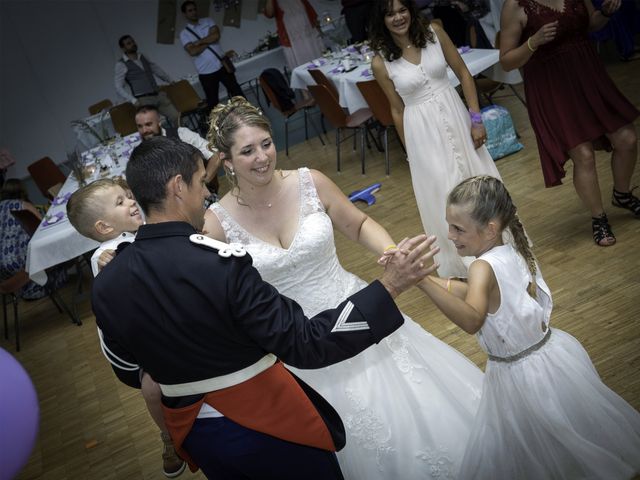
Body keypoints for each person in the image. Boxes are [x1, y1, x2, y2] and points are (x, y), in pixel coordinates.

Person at [92, 135, 439, 479]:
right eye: (200, 183)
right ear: (178, 187)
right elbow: (307, 343)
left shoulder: (107, 282)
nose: (206, 195)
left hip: (199, 436)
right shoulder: (220, 266)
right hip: (269, 427)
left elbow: (128, 370)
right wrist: (390, 286)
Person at [202, 97, 484, 479]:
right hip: (297, 342)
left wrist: (390, 252)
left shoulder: (309, 182)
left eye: (266, 143)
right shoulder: (216, 223)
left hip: (359, 312)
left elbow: (358, 224)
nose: (262, 157)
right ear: (226, 159)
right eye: (247, 151)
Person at [415, 175, 640, 479]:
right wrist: (428, 278)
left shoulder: (481, 267)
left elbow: (472, 318)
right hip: (550, 355)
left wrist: (421, 284)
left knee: (541, 442)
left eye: (458, 228)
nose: (450, 235)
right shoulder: (510, 247)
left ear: (490, 228)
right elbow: (475, 291)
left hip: (520, 373)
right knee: (565, 432)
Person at [369, 0, 502, 278]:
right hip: (422, 135)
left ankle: (499, 248)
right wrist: (411, 154)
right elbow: (397, 109)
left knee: (480, 181)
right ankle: (467, 267)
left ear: (411, 10)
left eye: (402, 10)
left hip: (458, 118)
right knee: (447, 194)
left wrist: (476, 119)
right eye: (390, 14)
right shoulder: (381, 62)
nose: (398, 18)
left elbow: (464, 73)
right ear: (382, 20)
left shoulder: (435, 33)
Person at [66, 179, 186, 478]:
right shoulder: (106, 254)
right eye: (120, 202)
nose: (132, 202)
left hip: (166, 323)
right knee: (151, 387)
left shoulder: (144, 230)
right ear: (104, 228)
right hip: (137, 344)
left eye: (129, 196)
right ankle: (168, 437)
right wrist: (108, 262)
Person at [500, 0, 640, 246]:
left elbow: (590, 24)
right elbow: (507, 61)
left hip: (588, 75)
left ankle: (622, 194)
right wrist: (533, 42)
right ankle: (599, 218)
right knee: (583, 154)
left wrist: (605, 13)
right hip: (552, 87)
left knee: (627, 137)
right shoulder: (515, 6)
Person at [0, 179, 66, 299]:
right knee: (59, 250)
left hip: (4, 268)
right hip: (25, 261)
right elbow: (43, 228)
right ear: (22, 191)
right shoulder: (23, 205)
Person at [135, 105, 220, 192]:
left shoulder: (181, 135)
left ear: (159, 122)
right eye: (140, 126)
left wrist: (203, 184)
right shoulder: (143, 150)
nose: (144, 130)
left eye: (148, 124)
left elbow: (216, 155)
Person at [179, 0, 244, 110]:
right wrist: (209, 39)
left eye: (195, 9)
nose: (194, 12)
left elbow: (216, 36)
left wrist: (199, 42)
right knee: (213, 103)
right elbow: (192, 52)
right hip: (206, 72)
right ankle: (215, 126)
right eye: (190, 11)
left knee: (237, 94)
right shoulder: (184, 34)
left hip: (222, 65)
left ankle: (250, 117)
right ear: (185, 14)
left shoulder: (208, 21)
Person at [115, 35, 180, 127]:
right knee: (154, 126)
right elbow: (118, 86)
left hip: (157, 94)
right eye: (129, 43)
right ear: (123, 48)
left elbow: (156, 69)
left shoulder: (143, 56)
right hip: (144, 99)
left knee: (177, 117)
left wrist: (170, 80)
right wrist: (133, 100)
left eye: (133, 41)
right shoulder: (121, 64)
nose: (133, 44)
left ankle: (183, 139)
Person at [263, 0, 326, 70]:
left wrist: (318, 28)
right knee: (303, 66)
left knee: (320, 60)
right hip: (292, 39)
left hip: (309, 33)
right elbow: (269, 13)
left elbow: (309, 9)